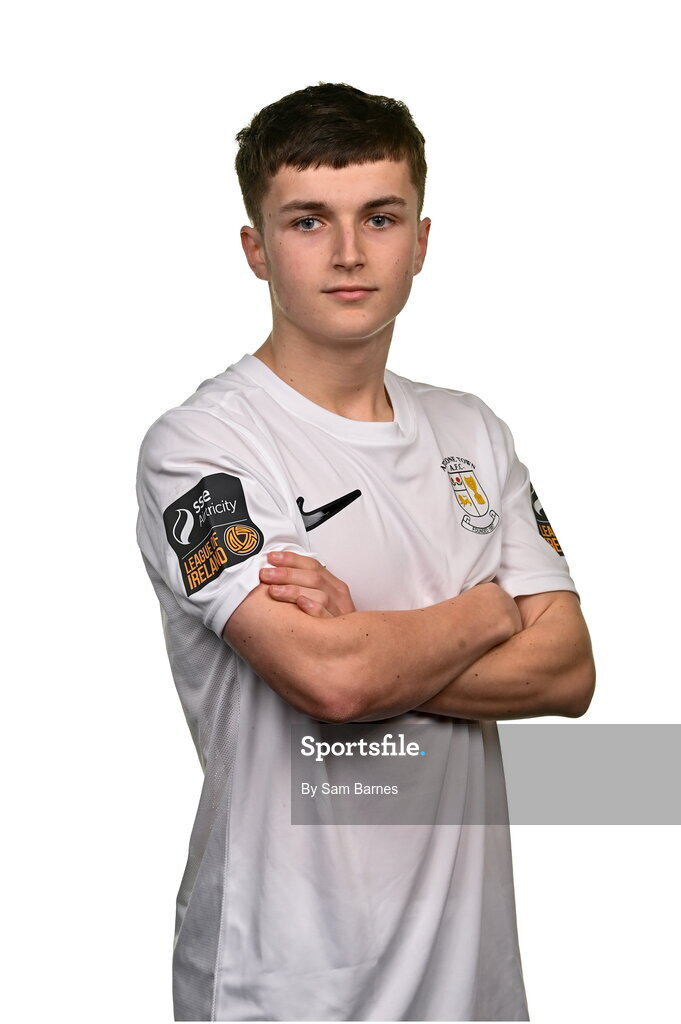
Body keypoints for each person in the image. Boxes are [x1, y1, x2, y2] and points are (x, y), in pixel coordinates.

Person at [136, 81, 595, 1022]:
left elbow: (568, 672)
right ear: (256, 249)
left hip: (470, 984)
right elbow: (334, 681)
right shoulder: (203, 447)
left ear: (419, 241)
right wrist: (488, 611)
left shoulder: (473, 432)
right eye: (308, 221)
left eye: (379, 218)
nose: (348, 252)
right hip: (284, 983)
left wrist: (369, 640)